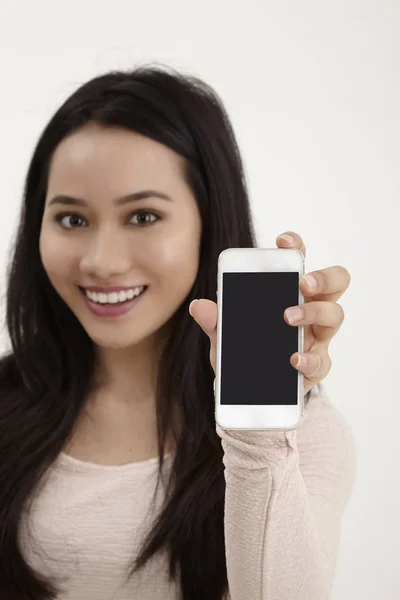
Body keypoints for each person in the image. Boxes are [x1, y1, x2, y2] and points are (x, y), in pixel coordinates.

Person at [0, 64, 356, 600]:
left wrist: (255, 432)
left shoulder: (300, 438)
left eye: (143, 216)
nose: (101, 262)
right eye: (72, 219)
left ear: (208, 222)